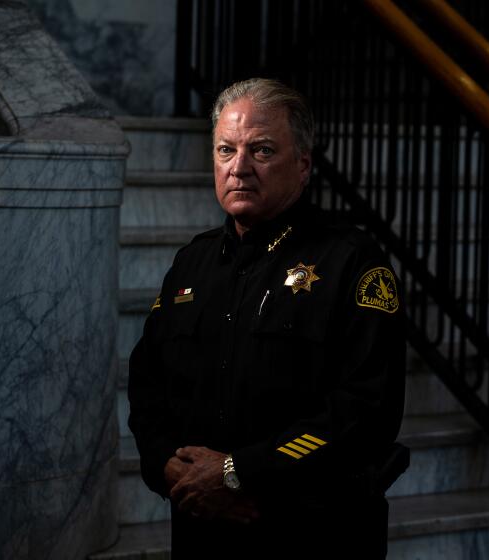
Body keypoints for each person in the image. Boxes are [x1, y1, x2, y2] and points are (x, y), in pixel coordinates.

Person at [128, 78, 407, 557]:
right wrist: (169, 467)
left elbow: (366, 411)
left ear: (302, 165)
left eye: (260, 150)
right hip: (201, 529)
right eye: (225, 150)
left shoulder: (350, 262)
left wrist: (240, 473)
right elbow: (147, 384)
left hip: (309, 531)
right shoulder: (190, 264)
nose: (239, 168)